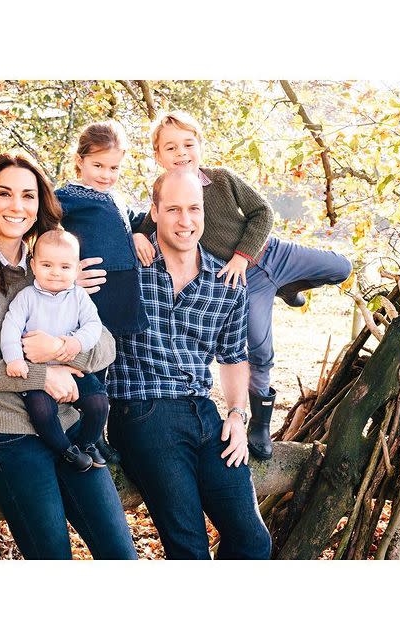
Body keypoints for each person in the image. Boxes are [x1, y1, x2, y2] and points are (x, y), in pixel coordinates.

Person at [0, 153, 137, 560]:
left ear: (40, 204)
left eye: (28, 196)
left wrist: (62, 349)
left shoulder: (53, 265)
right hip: (8, 434)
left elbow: (106, 345)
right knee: (52, 557)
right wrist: (41, 376)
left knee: (121, 555)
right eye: (4, 194)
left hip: (72, 428)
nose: (16, 206)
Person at [133, 111, 352, 460]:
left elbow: (262, 212)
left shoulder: (221, 180)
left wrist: (241, 254)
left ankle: (289, 286)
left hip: (271, 253)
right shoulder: (166, 196)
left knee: (342, 267)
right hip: (245, 283)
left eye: (189, 144)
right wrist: (135, 235)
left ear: (200, 145)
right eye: (171, 147)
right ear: (158, 155)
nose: (182, 153)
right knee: (260, 351)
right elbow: (148, 224)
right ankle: (260, 426)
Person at [107, 169, 272, 560]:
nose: (185, 220)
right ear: (155, 211)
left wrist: (236, 414)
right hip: (143, 411)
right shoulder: (127, 264)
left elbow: (233, 356)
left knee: (253, 541)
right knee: (190, 549)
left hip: (203, 412)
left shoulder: (226, 280)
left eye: (193, 209)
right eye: (174, 209)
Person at [0, 229, 108, 472]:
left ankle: (87, 443)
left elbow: (93, 326)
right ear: (34, 265)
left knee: (98, 402)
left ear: (77, 269)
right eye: (47, 265)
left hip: (70, 368)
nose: (56, 273)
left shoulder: (79, 297)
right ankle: (66, 451)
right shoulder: (26, 297)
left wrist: (75, 343)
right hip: (37, 374)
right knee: (42, 412)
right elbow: (10, 327)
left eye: (65, 267)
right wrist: (14, 359)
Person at [55, 121, 149, 344]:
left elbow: (136, 221)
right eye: (98, 166)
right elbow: (41, 232)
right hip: (95, 295)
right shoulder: (67, 196)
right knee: (88, 361)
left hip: (124, 297)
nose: (106, 175)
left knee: (114, 364)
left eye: (114, 168)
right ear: (80, 160)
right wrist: (65, 273)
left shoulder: (115, 197)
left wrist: (137, 234)